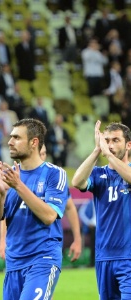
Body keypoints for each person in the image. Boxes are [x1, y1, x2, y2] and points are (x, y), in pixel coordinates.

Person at [0, 118, 69, 300]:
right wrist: (0, 194)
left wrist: (18, 186)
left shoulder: (54, 174)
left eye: (16, 137)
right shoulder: (7, 177)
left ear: (34, 142)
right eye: (10, 137)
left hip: (43, 259)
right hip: (14, 263)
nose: (9, 142)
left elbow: (49, 216)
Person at [72, 120, 131, 299]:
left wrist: (108, 154)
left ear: (129, 145)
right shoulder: (98, 174)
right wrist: (97, 150)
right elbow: (77, 182)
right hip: (104, 257)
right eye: (107, 140)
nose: (110, 145)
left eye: (115, 140)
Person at [0, 144, 82, 262]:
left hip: (45, 250)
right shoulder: (13, 176)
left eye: (43, 154)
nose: (41, 157)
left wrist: (77, 239)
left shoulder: (54, 176)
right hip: (18, 250)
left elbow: (69, 207)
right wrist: (3, 241)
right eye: (39, 154)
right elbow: (6, 212)